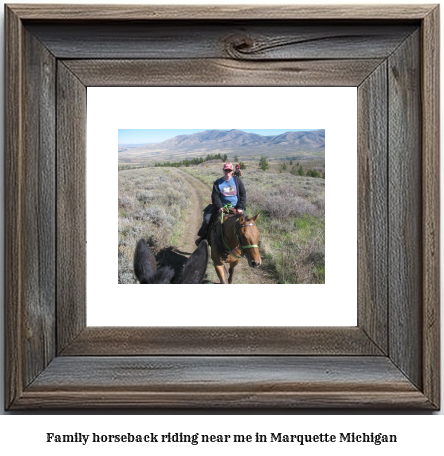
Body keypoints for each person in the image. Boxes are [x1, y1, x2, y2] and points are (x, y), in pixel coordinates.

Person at [195, 162, 246, 245]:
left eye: (229, 170)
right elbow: (215, 196)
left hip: (236, 207)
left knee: (246, 222)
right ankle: (203, 238)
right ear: (223, 170)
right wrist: (219, 207)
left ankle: (245, 245)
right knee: (207, 219)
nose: (227, 172)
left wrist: (240, 207)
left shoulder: (237, 181)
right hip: (222, 207)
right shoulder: (218, 182)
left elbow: (243, 194)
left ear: (232, 171)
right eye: (226, 170)